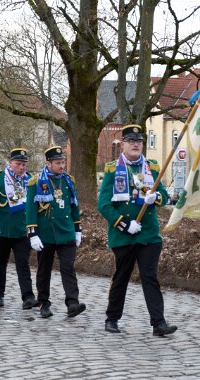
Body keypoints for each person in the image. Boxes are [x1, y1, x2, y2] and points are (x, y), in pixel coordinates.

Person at [98, 124, 177, 336]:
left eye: (139, 142)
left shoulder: (151, 167)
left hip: (149, 234)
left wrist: (156, 197)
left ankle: (158, 323)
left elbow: (164, 196)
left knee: (150, 276)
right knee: (121, 276)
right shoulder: (113, 169)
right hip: (123, 235)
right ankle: (112, 318)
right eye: (131, 141)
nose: (135, 145)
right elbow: (103, 204)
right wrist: (124, 224)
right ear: (122, 144)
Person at [26, 146, 85, 319]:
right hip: (46, 234)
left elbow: (74, 206)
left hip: (66, 232)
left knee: (68, 268)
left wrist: (77, 229)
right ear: (48, 163)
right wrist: (32, 233)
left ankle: (72, 303)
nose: (61, 166)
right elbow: (30, 209)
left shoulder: (68, 180)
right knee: (44, 269)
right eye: (58, 163)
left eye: (63, 162)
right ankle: (44, 302)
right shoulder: (36, 182)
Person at [0, 148, 38, 309]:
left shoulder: (30, 181)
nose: (22, 167)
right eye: (18, 164)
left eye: (24, 164)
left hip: (22, 230)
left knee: (23, 264)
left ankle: (28, 297)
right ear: (10, 163)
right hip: (2, 229)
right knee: (0, 263)